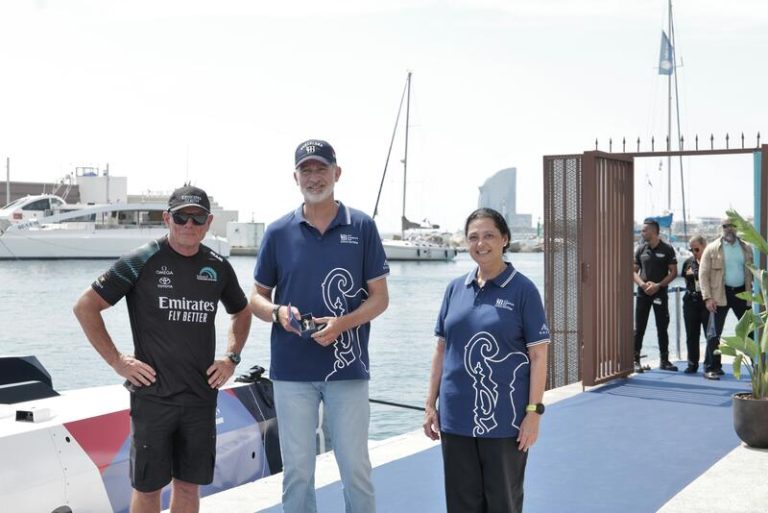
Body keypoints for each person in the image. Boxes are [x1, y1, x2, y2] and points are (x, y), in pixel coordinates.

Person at [73, 185, 252, 513]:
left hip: (200, 397)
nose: (189, 223)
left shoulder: (218, 266)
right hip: (153, 398)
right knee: (148, 487)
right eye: (181, 216)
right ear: (167, 218)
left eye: (197, 217)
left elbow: (242, 311)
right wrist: (117, 361)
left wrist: (231, 357)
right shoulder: (141, 260)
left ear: (209, 222)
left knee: (187, 487)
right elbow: (86, 306)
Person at [249, 139, 389, 513]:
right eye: (306, 170)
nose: (314, 177)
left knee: (355, 468)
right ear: (295, 177)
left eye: (321, 168)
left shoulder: (362, 226)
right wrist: (277, 312)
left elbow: (380, 298)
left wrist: (344, 323)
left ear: (336, 173)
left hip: (348, 369)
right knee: (297, 470)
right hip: (291, 371)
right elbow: (256, 298)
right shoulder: (278, 232)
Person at [423, 207, 549, 513]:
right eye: (473, 237)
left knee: (503, 502)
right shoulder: (455, 289)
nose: (481, 243)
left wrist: (534, 412)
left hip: (505, 420)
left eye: (489, 235)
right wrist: (430, 404)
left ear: (504, 239)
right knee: (461, 503)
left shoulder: (523, 290)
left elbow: (538, 355)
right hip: (455, 418)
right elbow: (441, 349)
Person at [699, 217, 753, 380]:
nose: (729, 228)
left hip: (743, 294)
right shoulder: (711, 248)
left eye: (732, 226)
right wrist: (708, 298)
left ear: (737, 228)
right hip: (719, 295)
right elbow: (703, 274)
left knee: (750, 333)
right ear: (721, 228)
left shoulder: (746, 248)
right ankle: (711, 367)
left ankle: (758, 368)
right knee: (714, 333)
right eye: (725, 226)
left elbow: (754, 271)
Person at [633, 218, 678, 372]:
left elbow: (674, 272)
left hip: (660, 292)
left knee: (662, 326)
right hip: (643, 293)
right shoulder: (640, 249)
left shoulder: (667, 249)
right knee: (639, 327)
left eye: (644, 230)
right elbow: (633, 271)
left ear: (653, 231)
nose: (642, 233)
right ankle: (635, 360)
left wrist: (658, 285)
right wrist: (642, 284)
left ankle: (664, 360)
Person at [681, 235, 709, 374]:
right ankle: (692, 364)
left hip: (706, 302)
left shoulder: (711, 262)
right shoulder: (688, 262)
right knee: (691, 334)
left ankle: (711, 365)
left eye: (696, 249)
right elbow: (684, 279)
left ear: (704, 246)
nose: (694, 252)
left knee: (710, 335)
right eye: (691, 249)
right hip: (690, 301)